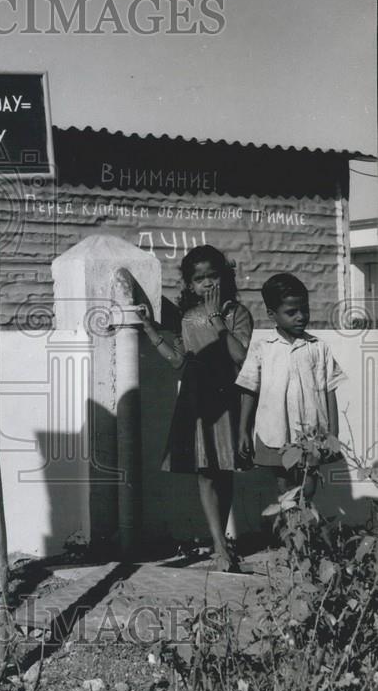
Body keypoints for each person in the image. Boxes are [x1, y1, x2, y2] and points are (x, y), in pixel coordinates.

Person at [139, 245, 253, 572]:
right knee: (205, 473)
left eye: (212, 276)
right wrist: (149, 329)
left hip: (228, 402)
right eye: (199, 278)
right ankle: (219, 545)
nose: (206, 284)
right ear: (189, 284)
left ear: (224, 277)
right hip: (197, 402)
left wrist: (217, 319)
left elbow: (240, 357)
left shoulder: (237, 314)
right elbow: (179, 362)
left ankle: (223, 540)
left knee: (225, 472)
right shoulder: (188, 319)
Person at [236, 272, 344, 499]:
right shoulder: (262, 348)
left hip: (313, 432)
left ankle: (306, 532)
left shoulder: (318, 347)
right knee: (284, 488)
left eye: (304, 309)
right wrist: (243, 430)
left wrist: (333, 434)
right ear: (272, 314)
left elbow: (329, 390)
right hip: (275, 430)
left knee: (309, 485)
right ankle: (289, 531)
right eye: (291, 312)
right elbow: (249, 389)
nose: (301, 316)